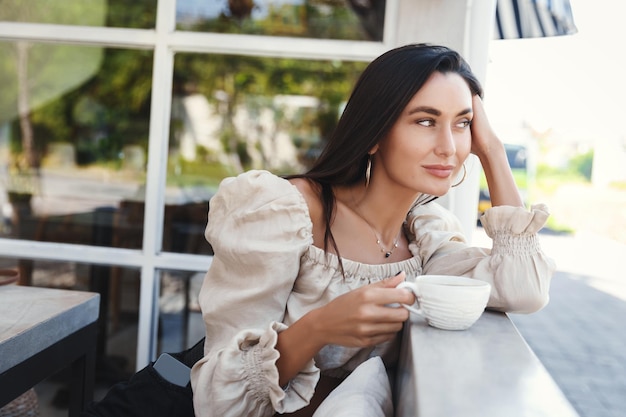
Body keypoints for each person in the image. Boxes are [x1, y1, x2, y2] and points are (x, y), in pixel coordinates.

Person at [190, 43, 555, 417]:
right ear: (376, 133)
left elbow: (524, 289)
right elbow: (216, 398)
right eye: (426, 121)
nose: (449, 147)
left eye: (462, 124)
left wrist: (493, 151)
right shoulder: (286, 211)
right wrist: (321, 326)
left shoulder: (426, 236)